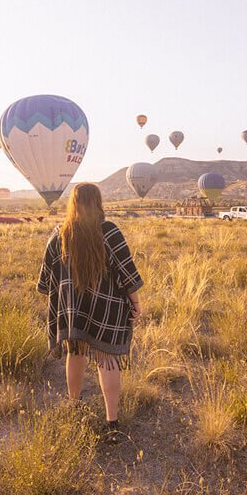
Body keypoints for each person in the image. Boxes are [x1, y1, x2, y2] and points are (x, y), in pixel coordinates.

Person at [37, 183, 142, 444]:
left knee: (76, 354)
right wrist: (136, 302)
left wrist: (68, 293)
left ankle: (73, 406)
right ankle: (112, 423)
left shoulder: (60, 234)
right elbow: (126, 273)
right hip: (106, 310)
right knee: (108, 361)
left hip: (74, 312)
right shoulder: (110, 232)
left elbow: (44, 280)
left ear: (72, 203)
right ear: (98, 202)